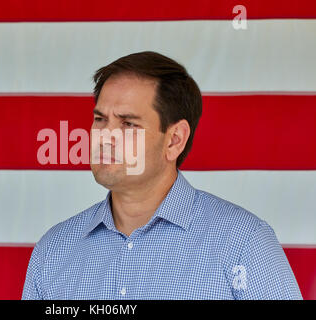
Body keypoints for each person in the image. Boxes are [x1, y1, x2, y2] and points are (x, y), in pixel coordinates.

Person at [22, 51, 302, 300]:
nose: (104, 137)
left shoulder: (244, 243)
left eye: (128, 123)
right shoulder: (54, 250)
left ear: (174, 140)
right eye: (100, 119)